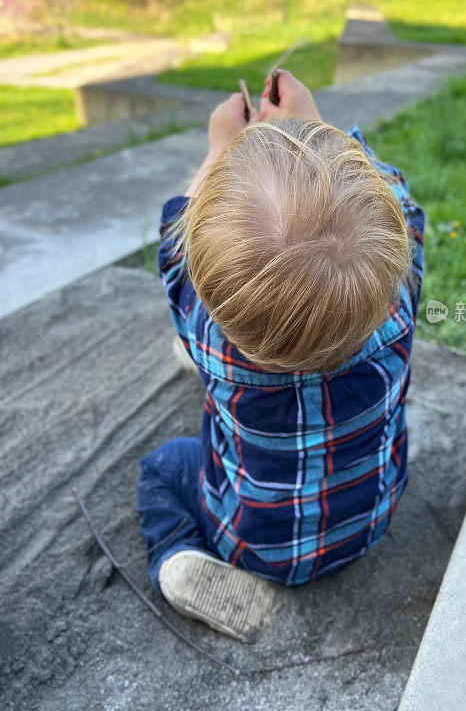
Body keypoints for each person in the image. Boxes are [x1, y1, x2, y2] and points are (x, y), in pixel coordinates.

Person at [137, 70, 425, 641]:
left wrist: (220, 150)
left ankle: (175, 551)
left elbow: (176, 234)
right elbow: (401, 204)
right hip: (372, 522)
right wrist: (313, 126)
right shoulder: (399, 307)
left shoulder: (212, 340)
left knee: (162, 469)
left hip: (248, 541)